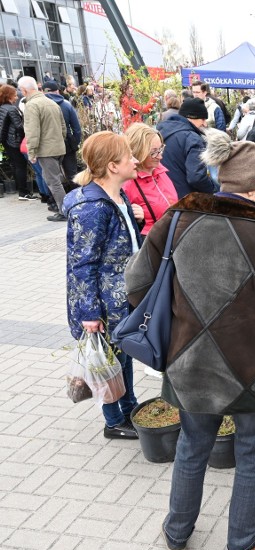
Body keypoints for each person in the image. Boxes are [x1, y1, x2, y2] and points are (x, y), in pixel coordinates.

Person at [125, 129, 255, 550]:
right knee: (251, 453)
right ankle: (242, 543)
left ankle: (176, 536)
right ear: (254, 186)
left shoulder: (177, 219)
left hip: (189, 364)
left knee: (192, 447)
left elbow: (136, 283)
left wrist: (179, 329)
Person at [64, 132, 144, 439]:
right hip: (105, 300)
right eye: (129, 157)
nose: (136, 160)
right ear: (112, 166)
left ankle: (130, 406)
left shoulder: (116, 195)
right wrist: (90, 313)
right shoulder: (92, 207)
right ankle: (114, 420)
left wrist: (132, 222)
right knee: (109, 360)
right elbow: (82, 264)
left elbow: (116, 244)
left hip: (120, 294)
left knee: (121, 354)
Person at [19, 76, 68, 221]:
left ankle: (64, 211)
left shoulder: (32, 105)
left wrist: (32, 152)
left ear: (24, 90)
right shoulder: (51, 102)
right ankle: (64, 209)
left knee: (54, 182)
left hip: (46, 150)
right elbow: (63, 127)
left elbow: (32, 132)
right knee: (55, 179)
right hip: (58, 147)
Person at [122, 123, 178, 237]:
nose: (160, 156)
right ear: (137, 153)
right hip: (152, 244)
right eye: (153, 152)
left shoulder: (159, 171)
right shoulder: (127, 183)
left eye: (160, 149)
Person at [157, 97, 215, 197]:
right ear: (191, 117)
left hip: (164, 196)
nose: (204, 124)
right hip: (186, 202)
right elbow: (196, 177)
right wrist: (214, 190)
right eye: (203, 119)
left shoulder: (160, 133)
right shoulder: (193, 139)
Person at [0, 84, 35, 200]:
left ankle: (21, 191)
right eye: (14, 95)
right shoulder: (11, 109)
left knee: (15, 166)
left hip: (7, 141)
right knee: (21, 166)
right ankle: (23, 192)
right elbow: (19, 126)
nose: (16, 97)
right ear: (9, 96)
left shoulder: (2, 107)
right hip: (15, 141)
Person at [44, 80, 81, 186]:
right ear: (58, 91)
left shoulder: (41, 106)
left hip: (49, 144)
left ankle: (54, 201)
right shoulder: (66, 104)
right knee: (72, 174)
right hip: (67, 142)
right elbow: (76, 127)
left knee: (53, 176)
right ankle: (77, 198)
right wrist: (75, 141)